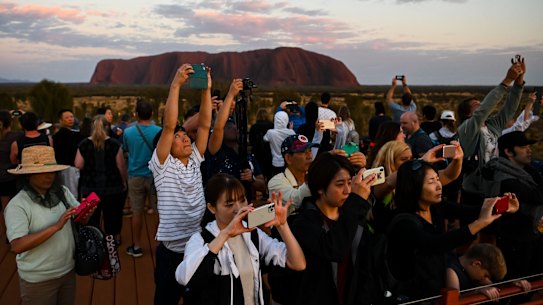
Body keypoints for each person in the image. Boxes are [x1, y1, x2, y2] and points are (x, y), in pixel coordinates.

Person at [387, 159, 519, 300]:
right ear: (413, 187)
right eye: (431, 182)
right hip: (411, 296)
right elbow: (434, 245)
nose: (439, 186)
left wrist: (501, 206)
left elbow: (469, 212)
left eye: (438, 179)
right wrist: (480, 223)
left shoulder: (435, 207)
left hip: (435, 289)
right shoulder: (404, 222)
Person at [175, 174, 306, 305]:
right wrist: (225, 234)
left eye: (242, 200)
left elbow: (298, 263)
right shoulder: (200, 240)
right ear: (211, 208)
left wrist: (282, 226)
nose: (238, 209)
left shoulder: (253, 234)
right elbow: (184, 277)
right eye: (229, 204)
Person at [149, 63, 212, 305]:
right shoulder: (162, 166)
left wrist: (206, 90)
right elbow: (168, 125)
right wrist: (176, 85)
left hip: (197, 247)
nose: (184, 137)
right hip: (172, 254)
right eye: (177, 137)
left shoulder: (195, 159)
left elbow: (204, 125)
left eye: (184, 134)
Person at [5, 145, 93, 305]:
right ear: (28, 175)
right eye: (42, 172)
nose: (49, 176)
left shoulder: (62, 192)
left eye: (52, 170)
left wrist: (86, 211)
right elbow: (17, 246)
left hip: (67, 270)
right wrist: (56, 226)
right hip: (38, 279)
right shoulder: (18, 205)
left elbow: (79, 219)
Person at [290, 152, 377, 305]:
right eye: (339, 184)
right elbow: (333, 249)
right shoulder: (303, 222)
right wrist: (356, 203)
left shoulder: (354, 218)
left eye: (350, 183)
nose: (347, 191)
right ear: (320, 188)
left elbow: (365, 269)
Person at [481, 131, 542, 296]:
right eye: (523, 147)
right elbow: (537, 196)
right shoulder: (503, 177)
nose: (529, 150)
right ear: (508, 152)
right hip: (514, 243)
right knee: (518, 290)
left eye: (529, 146)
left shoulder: (528, 172)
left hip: (531, 237)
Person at [457, 58, 525, 203]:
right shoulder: (467, 129)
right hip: (474, 193)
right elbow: (482, 112)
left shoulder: (492, 125)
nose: (481, 105)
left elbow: (509, 109)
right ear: (468, 113)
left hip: (494, 189)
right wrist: (507, 81)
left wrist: (518, 83)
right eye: (476, 105)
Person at [74, 115, 127, 245]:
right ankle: (114, 237)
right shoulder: (115, 144)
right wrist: (124, 181)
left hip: (90, 186)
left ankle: (94, 238)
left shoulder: (84, 144)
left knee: (92, 216)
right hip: (112, 186)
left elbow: (78, 165)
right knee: (113, 214)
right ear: (107, 127)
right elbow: (121, 166)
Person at [123, 100, 161, 257]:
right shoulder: (159, 131)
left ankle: (137, 246)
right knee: (160, 213)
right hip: (155, 177)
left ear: (136, 114)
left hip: (135, 176)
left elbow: (125, 150)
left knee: (137, 212)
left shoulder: (128, 132)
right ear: (152, 113)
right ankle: (162, 246)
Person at [267, 134, 317, 214]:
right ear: (288, 158)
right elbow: (295, 199)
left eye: (310, 150)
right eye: (303, 151)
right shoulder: (275, 182)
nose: (310, 156)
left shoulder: (310, 175)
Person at [52, 109, 83, 197]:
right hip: (68, 168)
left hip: (67, 167)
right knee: (72, 194)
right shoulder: (60, 136)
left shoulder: (74, 134)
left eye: (71, 117)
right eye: (67, 117)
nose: (70, 119)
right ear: (61, 120)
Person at [0, 110, 22, 208]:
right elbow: (33, 129)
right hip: (10, 176)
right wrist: (23, 115)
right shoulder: (16, 136)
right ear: (11, 122)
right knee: (9, 209)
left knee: (2, 209)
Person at [264, 111, 296, 176]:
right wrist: (290, 130)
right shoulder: (291, 132)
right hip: (288, 163)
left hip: (275, 163)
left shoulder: (271, 133)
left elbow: (265, 139)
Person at [249, 108, 274, 181]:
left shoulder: (254, 127)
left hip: (257, 153)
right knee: (269, 174)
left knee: (259, 174)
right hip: (269, 152)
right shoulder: (271, 125)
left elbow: (251, 140)